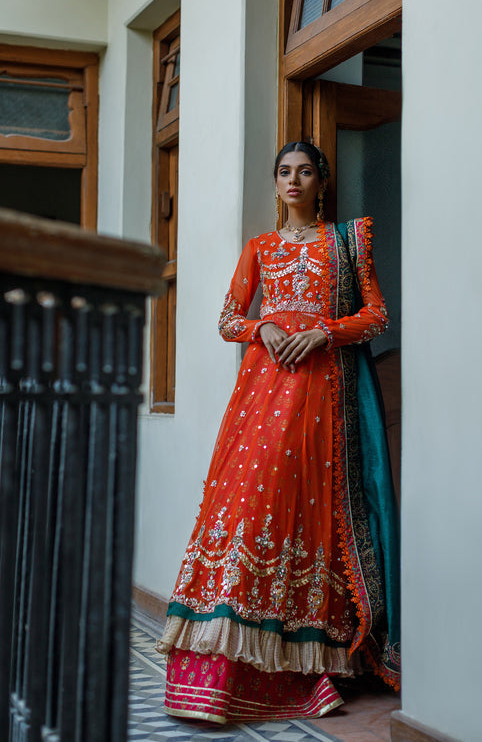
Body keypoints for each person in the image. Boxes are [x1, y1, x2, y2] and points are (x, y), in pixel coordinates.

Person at [156, 141, 400, 722]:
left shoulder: (345, 245)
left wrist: (325, 333)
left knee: (304, 511)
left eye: (306, 172)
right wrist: (262, 325)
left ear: (321, 182)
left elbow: (377, 316)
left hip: (323, 395)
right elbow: (226, 319)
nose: (294, 181)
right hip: (262, 396)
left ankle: (308, 665)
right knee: (246, 506)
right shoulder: (260, 248)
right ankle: (218, 675)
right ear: (274, 185)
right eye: (285, 173)